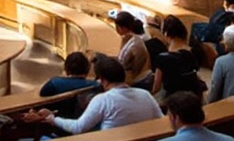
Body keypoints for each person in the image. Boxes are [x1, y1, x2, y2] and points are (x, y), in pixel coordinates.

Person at [22, 54, 161, 134]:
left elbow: (78, 127)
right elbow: (162, 121)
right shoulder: (145, 94)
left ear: (104, 81)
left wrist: (52, 118)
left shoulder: (103, 100)